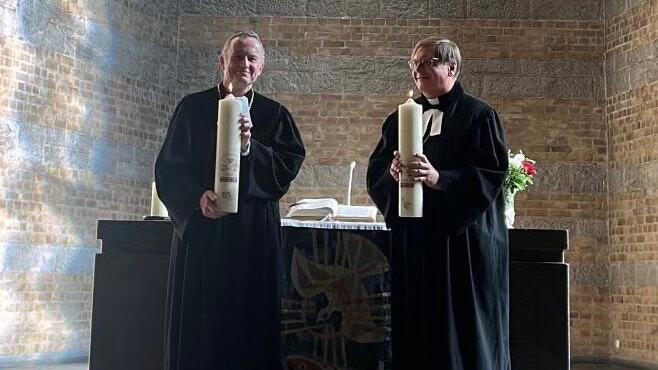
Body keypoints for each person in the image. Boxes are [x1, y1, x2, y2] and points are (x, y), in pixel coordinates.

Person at [155, 30, 305, 370]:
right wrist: (196, 199)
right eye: (238, 56)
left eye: (253, 58)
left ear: (262, 68)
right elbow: (169, 168)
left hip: (253, 236)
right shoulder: (192, 108)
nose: (245, 64)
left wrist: (251, 149)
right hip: (205, 232)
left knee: (249, 325)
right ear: (222, 61)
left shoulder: (274, 115)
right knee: (201, 324)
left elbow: (285, 166)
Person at [366, 38, 510, 370]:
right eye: (414, 63)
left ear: (452, 67)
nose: (418, 69)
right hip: (415, 242)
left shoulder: (480, 116)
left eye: (427, 61)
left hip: (461, 245)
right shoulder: (397, 120)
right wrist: (391, 174)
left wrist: (438, 179)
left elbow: (489, 174)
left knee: (460, 332)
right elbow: (375, 172)